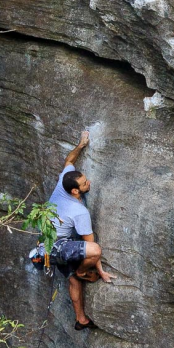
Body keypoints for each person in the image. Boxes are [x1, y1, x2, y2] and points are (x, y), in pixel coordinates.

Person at [48, 129, 113, 329]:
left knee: (73, 281)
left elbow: (69, 161)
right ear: (75, 191)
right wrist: (99, 271)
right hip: (57, 247)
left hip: (46, 240)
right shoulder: (78, 211)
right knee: (93, 253)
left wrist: (81, 144)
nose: (89, 183)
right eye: (85, 183)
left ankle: (81, 320)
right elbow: (90, 245)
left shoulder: (64, 181)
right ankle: (82, 271)